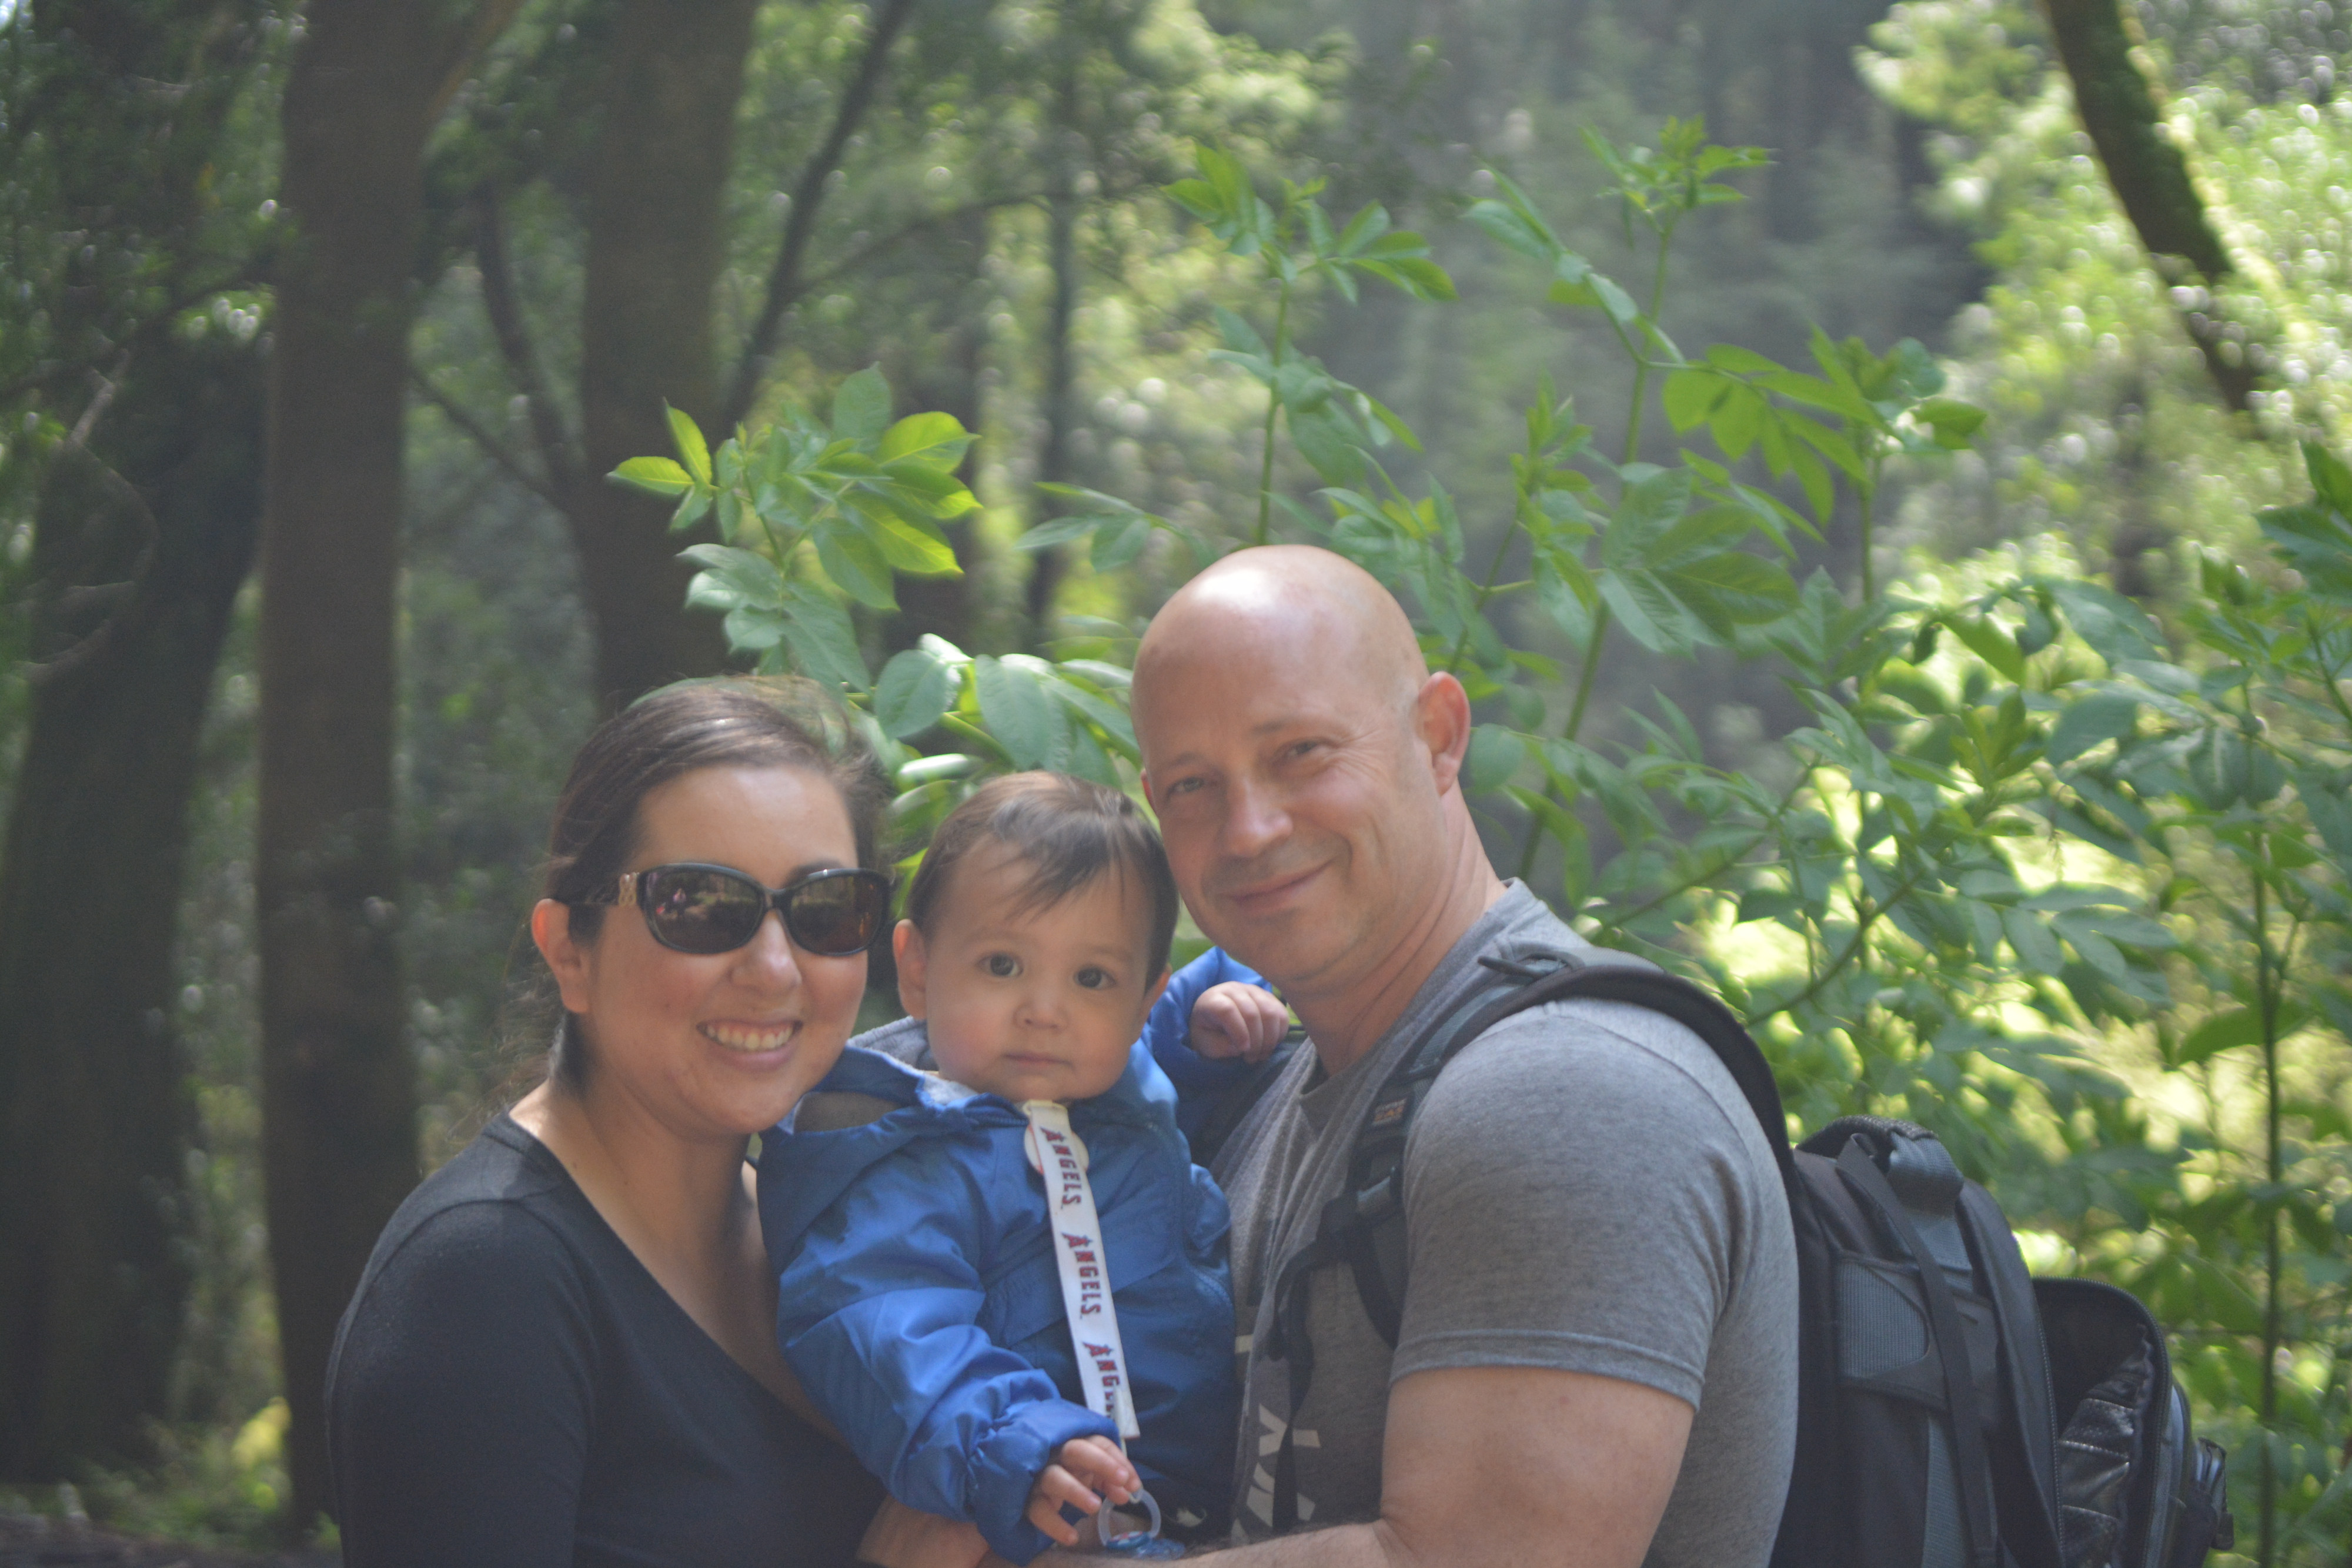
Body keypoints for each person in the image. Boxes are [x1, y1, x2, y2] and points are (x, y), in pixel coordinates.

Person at [1102, 544, 1802, 1568]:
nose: (1247, 830)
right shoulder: (1281, 1086)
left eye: (1300, 752)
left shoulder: (1566, 1096)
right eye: (1193, 786)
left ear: (1438, 735)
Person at [326, 680, 965, 1567]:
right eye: (700, 906)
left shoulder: (829, 1227)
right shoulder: (484, 1283)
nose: (775, 969)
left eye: (826, 909)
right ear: (569, 951)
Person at [760, 773, 1289, 1566]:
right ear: (917, 969)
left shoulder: (1110, 1088)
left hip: (1194, 1503)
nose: (1046, 1010)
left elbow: (1147, 1072)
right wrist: (1013, 1444)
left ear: (1142, 1000)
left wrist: (1201, 1037)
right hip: (1034, 1514)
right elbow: (886, 1335)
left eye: (1092, 978)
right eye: (1003, 965)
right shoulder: (906, 1167)